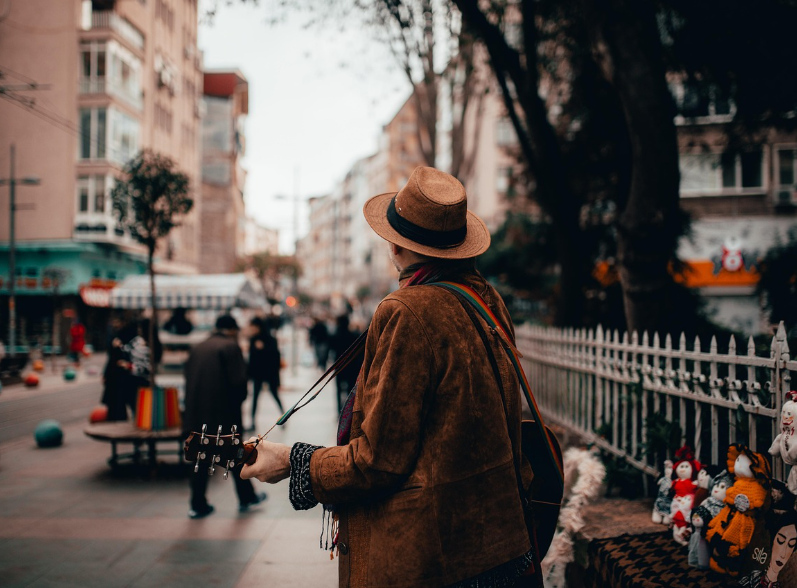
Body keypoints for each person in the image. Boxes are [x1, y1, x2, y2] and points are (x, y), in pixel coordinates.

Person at [241, 166, 540, 587]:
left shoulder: (405, 310)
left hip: (440, 560)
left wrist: (293, 460)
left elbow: (378, 461)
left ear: (395, 247)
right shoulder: (487, 300)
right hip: (505, 545)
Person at [183, 315, 267, 518]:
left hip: (195, 413)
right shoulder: (230, 347)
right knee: (235, 455)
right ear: (231, 330)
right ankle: (247, 497)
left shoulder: (198, 347)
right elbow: (239, 384)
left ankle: (197, 504)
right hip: (223, 414)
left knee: (200, 457)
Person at [247, 316, 284, 430]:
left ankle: (284, 417)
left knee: (275, 396)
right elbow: (252, 359)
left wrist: (263, 349)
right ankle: (252, 422)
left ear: (258, 327)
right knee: (255, 398)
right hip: (258, 374)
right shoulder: (253, 339)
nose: (251, 329)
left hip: (269, 373)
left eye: (252, 327)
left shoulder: (270, 339)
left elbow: (275, 356)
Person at [328, 314, 362, 413]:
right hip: (352, 366)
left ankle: (339, 410)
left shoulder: (334, 336)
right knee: (350, 389)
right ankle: (349, 409)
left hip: (339, 366)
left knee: (338, 389)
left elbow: (331, 349)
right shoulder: (354, 335)